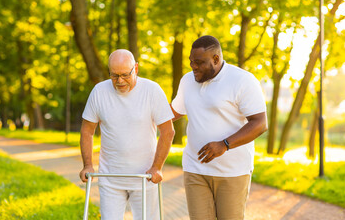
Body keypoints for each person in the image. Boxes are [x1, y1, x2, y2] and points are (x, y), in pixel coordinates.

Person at [171, 35, 267, 220]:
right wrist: (142, 118)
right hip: (195, 169)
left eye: (199, 62)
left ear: (216, 59)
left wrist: (224, 144)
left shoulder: (242, 80)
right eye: (191, 61)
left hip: (232, 172)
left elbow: (260, 123)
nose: (193, 67)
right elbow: (174, 112)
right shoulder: (187, 81)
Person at [79, 49, 175, 220]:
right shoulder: (99, 92)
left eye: (125, 75)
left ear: (136, 69)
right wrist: (87, 165)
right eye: (114, 75)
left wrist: (157, 167)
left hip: (145, 178)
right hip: (110, 178)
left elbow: (168, 132)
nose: (119, 81)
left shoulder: (152, 91)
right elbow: (87, 130)